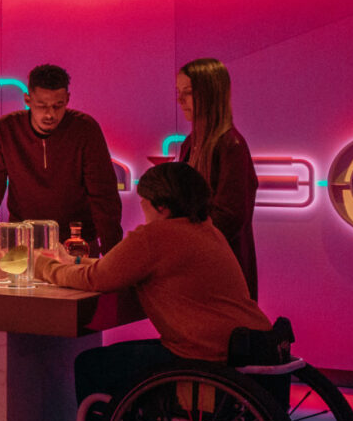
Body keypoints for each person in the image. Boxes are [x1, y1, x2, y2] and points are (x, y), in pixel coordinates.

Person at [33, 161, 272, 405]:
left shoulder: (155, 236)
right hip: (246, 348)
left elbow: (95, 279)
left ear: (161, 206)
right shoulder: (206, 230)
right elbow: (116, 268)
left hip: (202, 356)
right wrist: (73, 261)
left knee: (91, 364)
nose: (142, 209)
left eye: (143, 202)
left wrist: (43, 266)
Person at [0, 63, 122, 256]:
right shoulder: (6, 130)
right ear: (27, 100)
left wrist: (113, 254)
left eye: (58, 105)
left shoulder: (85, 129)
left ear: (67, 99)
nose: (50, 114)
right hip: (22, 242)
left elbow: (104, 196)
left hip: (77, 243)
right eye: (42, 105)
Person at [176, 57, 259, 299]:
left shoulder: (231, 145)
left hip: (222, 272)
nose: (180, 101)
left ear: (210, 93)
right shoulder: (191, 143)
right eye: (179, 92)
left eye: (188, 92)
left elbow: (230, 217)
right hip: (197, 268)